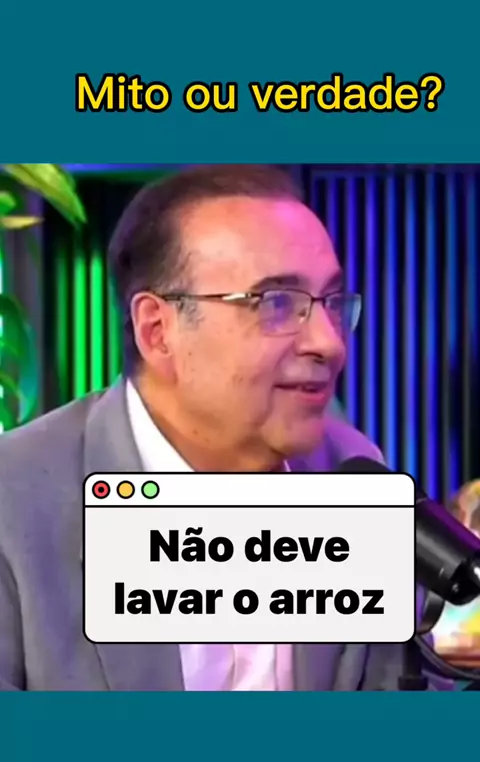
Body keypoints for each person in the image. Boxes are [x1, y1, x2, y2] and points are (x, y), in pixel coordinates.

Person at [0, 164, 447, 691]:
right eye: (276, 303)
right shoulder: (15, 500)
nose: (328, 343)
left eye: (331, 303)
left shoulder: (351, 471)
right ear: (157, 330)